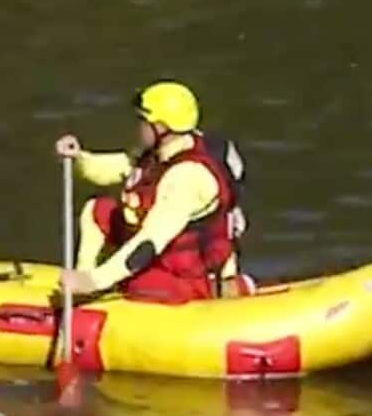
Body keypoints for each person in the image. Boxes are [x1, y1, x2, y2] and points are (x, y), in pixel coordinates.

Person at [56, 80, 253, 303]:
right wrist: (79, 158)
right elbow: (119, 167)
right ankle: (81, 287)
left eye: (142, 120)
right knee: (99, 210)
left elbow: (150, 241)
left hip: (188, 273)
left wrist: (96, 281)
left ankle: (225, 289)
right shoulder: (158, 151)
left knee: (140, 286)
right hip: (163, 257)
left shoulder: (187, 177)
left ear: (160, 127)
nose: (137, 126)